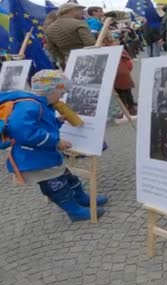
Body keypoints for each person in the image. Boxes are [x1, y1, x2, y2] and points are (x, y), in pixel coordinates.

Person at [0, 70, 108, 222]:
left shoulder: (40, 104)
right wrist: (55, 141)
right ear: (52, 90)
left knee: (67, 177)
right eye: (62, 92)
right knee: (55, 185)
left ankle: (81, 197)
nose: (62, 96)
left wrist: (58, 122)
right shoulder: (31, 106)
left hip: (44, 155)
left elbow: (40, 125)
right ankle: (74, 211)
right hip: (35, 158)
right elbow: (21, 131)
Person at [45, 3, 96, 69]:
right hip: (86, 61)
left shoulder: (49, 29)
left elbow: (52, 49)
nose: (83, 13)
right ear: (73, 10)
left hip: (68, 61)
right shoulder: (79, 23)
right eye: (81, 10)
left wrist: (63, 61)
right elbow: (90, 44)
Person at [103, 35, 137, 116]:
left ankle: (125, 109)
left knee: (120, 93)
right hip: (123, 74)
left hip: (114, 75)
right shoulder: (119, 49)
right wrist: (127, 70)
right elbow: (129, 63)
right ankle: (130, 108)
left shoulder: (103, 50)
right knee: (127, 92)